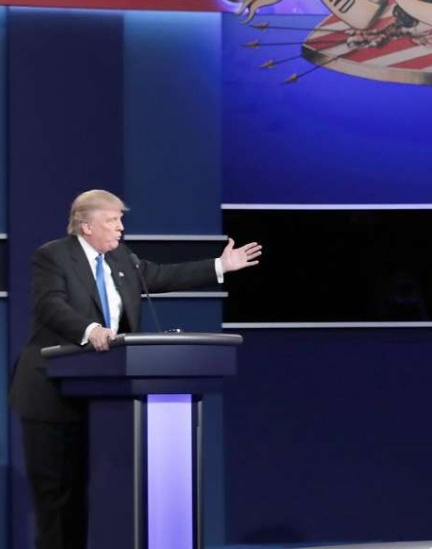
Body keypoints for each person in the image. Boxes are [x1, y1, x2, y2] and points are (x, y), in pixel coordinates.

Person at [8, 189, 263, 549]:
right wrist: (89, 330)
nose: (121, 228)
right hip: (52, 393)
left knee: (101, 495)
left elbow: (161, 277)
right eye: (112, 220)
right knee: (58, 498)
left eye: (121, 220)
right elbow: (51, 305)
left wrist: (220, 266)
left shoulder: (121, 258)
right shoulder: (53, 256)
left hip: (107, 395)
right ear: (86, 225)